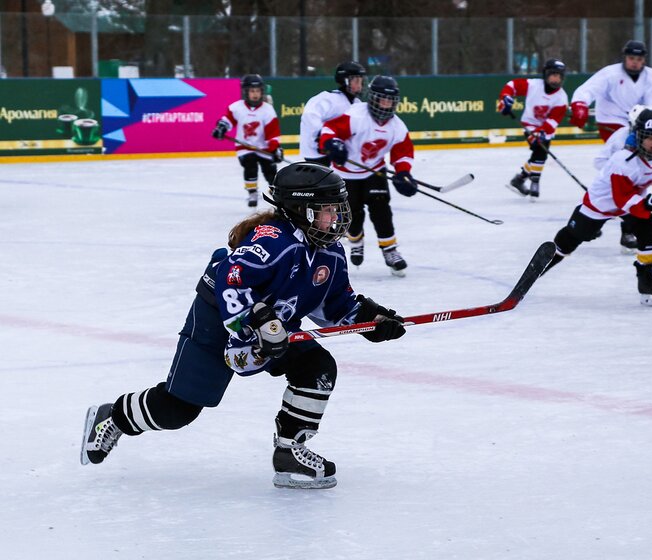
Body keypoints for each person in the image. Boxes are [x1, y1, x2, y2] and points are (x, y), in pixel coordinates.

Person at [80, 162, 407, 490]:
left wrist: (372, 321)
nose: (338, 217)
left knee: (317, 367)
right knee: (178, 410)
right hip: (217, 319)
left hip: (275, 326)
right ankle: (114, 416)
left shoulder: (331, 252)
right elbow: (231, 280)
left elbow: (335, 304)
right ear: (300, 210)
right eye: (327, 210)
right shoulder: (275, 240)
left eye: (339, 208)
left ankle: (290, 452)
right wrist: (259, 321)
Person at [543, 109, 652, 307]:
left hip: (631, 204)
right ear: (638, 136)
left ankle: (646, 278)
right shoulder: (622, 160)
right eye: (650, 138)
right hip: (600, 204)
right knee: (573, 237)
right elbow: (621, 198)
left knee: (648, 228)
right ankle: (543, 265)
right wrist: (649, 203)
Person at [568, 40, 652, 252]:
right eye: (631, 58)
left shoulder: (651, 77)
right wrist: (580, 105)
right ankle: (611, 217)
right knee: (629, 170)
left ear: (644, 60)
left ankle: (627, 224)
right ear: (624, 57)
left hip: (641, 124)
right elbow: (588, 89)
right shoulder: (610, 73)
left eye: (639, 59)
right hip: (612, 123)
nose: (635, 63)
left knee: (640, 173)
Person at [318, 75, 418, 276]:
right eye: (383, 99)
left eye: (391, 100)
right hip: (345, 173)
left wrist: (403, 173)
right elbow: (330, 130)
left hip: (375, 171)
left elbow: (403, 152)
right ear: (373, 98)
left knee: (381, 209)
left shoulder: (397, 126)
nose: (387, 104)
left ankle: (390, 250)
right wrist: (333, 144)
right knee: (350, 214)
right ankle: (356, 240)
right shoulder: (356, 115)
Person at [497, 58, 569, 200]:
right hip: (529, 124)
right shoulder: (533, 85)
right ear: (546, 74)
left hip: (546, 129)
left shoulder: (562, 97)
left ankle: (520, 178)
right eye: (553, 74)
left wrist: (543, 131)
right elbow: (512, 85)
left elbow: (554, 119)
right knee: (540, 152)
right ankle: (535, 181)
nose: (556, 79)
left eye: (559, 76)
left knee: (539, 153)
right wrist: (505, 98)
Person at [212, 74, 284, 207]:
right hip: (244, 147)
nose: (255, 94)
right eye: (252, 91)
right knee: (250, 166)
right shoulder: (236, 107)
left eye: (257, 91)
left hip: (264, 147)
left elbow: (273, 132)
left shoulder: (267, 110)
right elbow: (228, 120)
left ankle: (277, 193)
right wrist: (221, 128)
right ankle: (252, 192)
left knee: (270, 171)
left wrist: (275, 148)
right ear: (245, 92)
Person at [300, 61, 367, 166]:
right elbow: (310, 115)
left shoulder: (357, 103)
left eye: (361, 81)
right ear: (345, 81)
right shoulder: (327, 99)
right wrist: (322, 138)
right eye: (356, 81)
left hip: (339, 153)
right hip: (318, 155)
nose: (360, 85)